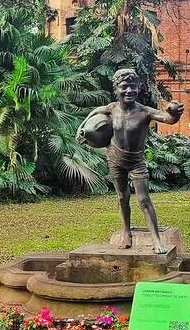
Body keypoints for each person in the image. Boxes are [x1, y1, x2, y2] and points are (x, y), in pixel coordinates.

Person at [77, 68, 183, 254]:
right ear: (116, 89)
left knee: (144, 200)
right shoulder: (111, 109)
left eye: (133, 87)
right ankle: (126, 233)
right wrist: (81, 129)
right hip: (114, 158)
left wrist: (175, 113)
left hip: (136, 161)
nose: (129, 91)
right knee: (122, 197)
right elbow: (94, 112)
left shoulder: (144, 112)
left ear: (139, 88)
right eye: (124, 87)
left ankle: (157, 240)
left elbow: (167, 118)